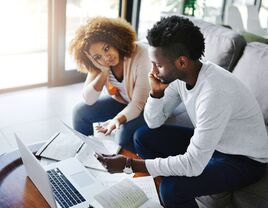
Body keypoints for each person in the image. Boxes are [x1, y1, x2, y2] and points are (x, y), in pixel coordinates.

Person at [95, 16, 268, 207]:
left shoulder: (213, 92)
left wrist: (129, 164)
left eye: (158, 65)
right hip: (216, 144)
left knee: (172, 189)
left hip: (244, 160)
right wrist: (156, 94)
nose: (152, 71)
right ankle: (156, 193)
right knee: (143, 136)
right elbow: (153, 122)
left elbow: (194, 163)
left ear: (182, 62)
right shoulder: (181, 76)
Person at [69, 17, 151, 153]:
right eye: (97, 57)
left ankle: (125, 169)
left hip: (149, 107)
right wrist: (104, 71)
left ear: (115, 39)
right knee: (80, 112)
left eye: (106, 48)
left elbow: (138, 104)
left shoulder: (141, 54)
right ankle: (85, 156)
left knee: (123, 135)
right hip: (125, 101)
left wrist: (116, 120)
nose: (106, 58)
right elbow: (88, 99)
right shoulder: (100, 65)